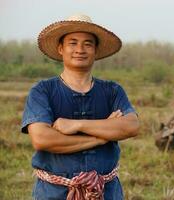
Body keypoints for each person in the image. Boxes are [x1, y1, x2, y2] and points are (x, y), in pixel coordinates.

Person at [21, 14, 140, 200]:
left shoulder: (113, 91)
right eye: (73, 43)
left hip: (106, 192)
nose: (80, 49)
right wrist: (102, 137)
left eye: (87, 44)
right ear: (61, 48)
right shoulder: (42, 91)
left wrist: (76, 125)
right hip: (54, 193)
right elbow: (42, 139)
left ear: (95, 50)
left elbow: (132, 126)